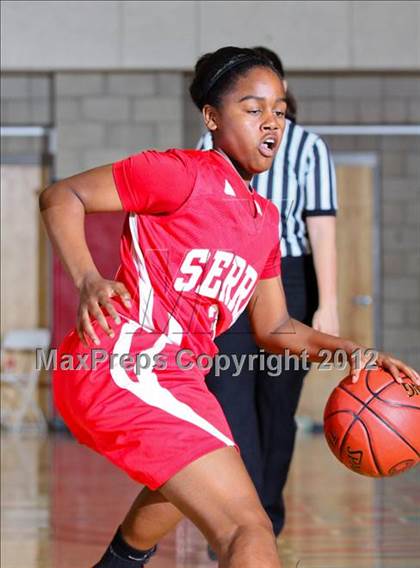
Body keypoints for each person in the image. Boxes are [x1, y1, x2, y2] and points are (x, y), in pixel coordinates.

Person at [39, 46, 418, 568]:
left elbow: (277, 329)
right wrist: (87, 279)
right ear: (212, 117)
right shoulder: (179, 173)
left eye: (280, 111)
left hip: (180, 378)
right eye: (254, 108)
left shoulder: (264, 220)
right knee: (249, 528)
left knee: (192, 487)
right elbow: (62, 196)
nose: (272, 123)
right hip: (124, 360)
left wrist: (353, 351)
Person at [198, 46, 340, 541]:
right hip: (229, 278)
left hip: (292, 279)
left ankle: (265, 525)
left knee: (277, 415)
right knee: (231, 408)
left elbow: (321, 229)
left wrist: (329, 304)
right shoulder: (208, 143)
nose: (267, 111)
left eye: (275, 100)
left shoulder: (308, 148)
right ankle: (241, 529)